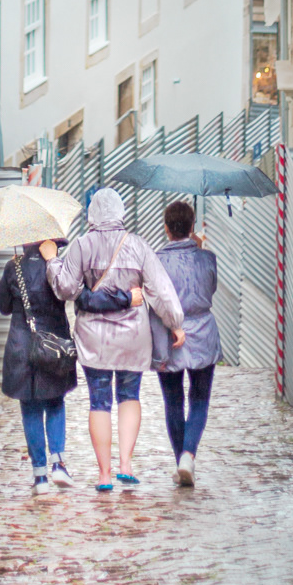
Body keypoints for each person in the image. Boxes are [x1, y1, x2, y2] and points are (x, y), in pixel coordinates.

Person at [42, 187, 185, 491]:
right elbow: (161, 289)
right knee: (129, 396)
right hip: (133, 336)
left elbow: (65, 288)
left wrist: (52, 262)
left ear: (92, 213)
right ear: (121, 213)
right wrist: (175, 323)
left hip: (94, 338)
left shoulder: (81, 245)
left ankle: (104, 474)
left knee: (99, 401)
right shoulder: (137, 246)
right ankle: (126, 465)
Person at [0, 239, 78, 492]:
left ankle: (40, 477)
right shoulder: (58, 266)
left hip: (22, 346)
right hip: (53, 346)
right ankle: (58, 464)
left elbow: (3, 307)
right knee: (54, 402)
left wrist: (14, 277)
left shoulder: (14, 267)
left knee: (30, 407)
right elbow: (68, 294)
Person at [150, 199, 220, 487]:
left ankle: (182, 458)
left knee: (173, 401)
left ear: (166, 229)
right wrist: (200, 251)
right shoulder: (207, 258)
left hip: (169, 336)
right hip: (203, 333)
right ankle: (188, 456)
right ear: (192, 228)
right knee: (200, 399)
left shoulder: (156, 261)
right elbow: (210, 288)